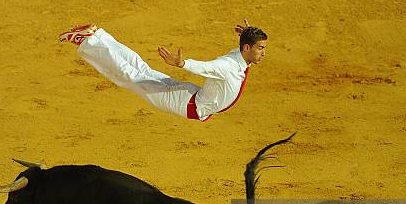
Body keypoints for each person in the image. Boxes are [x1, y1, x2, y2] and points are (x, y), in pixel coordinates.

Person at [59, 19, 267, 122]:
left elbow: (241, 51)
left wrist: (246, 34)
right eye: (260, 48)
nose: (263, 53)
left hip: (188, 95)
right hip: (183, 102)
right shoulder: (229, 66)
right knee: (131, 77)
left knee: (140, 70)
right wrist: (182, 64)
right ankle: (88, 40)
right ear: (247, 48)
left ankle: (97, 36)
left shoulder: (239, 56)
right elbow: (206, 68)